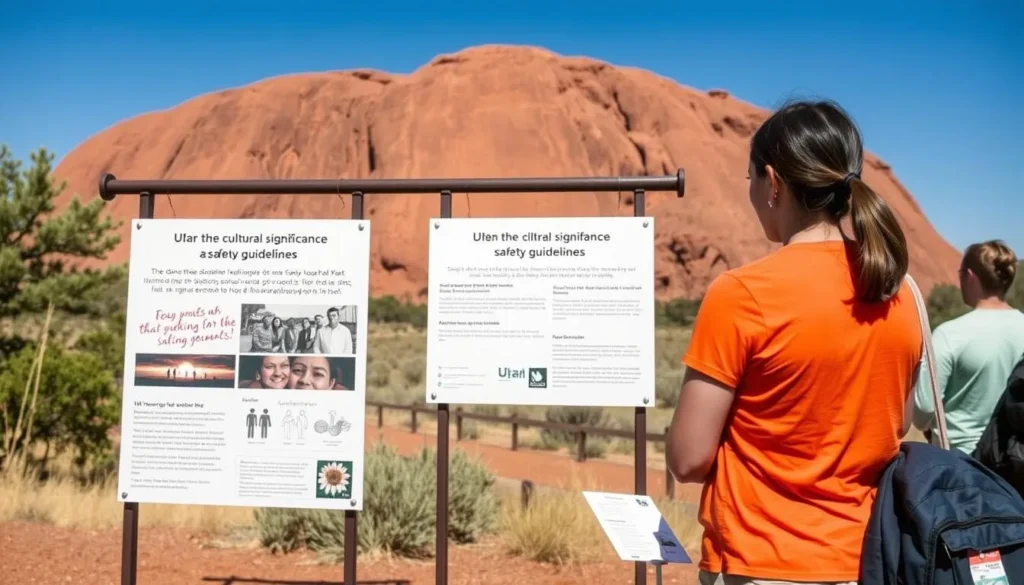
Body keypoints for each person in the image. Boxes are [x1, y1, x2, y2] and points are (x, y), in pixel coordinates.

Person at [665, 100, 922, 585]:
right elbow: (898, 421)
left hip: (759, 562)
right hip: (868, 561)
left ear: (773, 182)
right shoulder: (898, 289)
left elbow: (687, 458)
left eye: (750, 180)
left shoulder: (741, 294)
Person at [913, 240, 1024, 454]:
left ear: (970, 276)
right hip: (1016, 461)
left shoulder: (950, 334)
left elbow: (924, 408)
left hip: (963, 463)